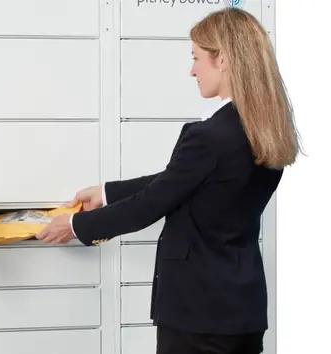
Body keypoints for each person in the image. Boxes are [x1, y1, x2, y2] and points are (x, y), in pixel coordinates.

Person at [36, 7, 302, 354]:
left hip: (197, 313)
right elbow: (184, 180)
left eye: (196, 58)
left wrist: (75, 225)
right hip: (242, 309)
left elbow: (152, 203)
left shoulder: (208, 136)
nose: (192, 70)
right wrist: (106, 192)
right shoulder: (266, 131)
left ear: (222, 59)